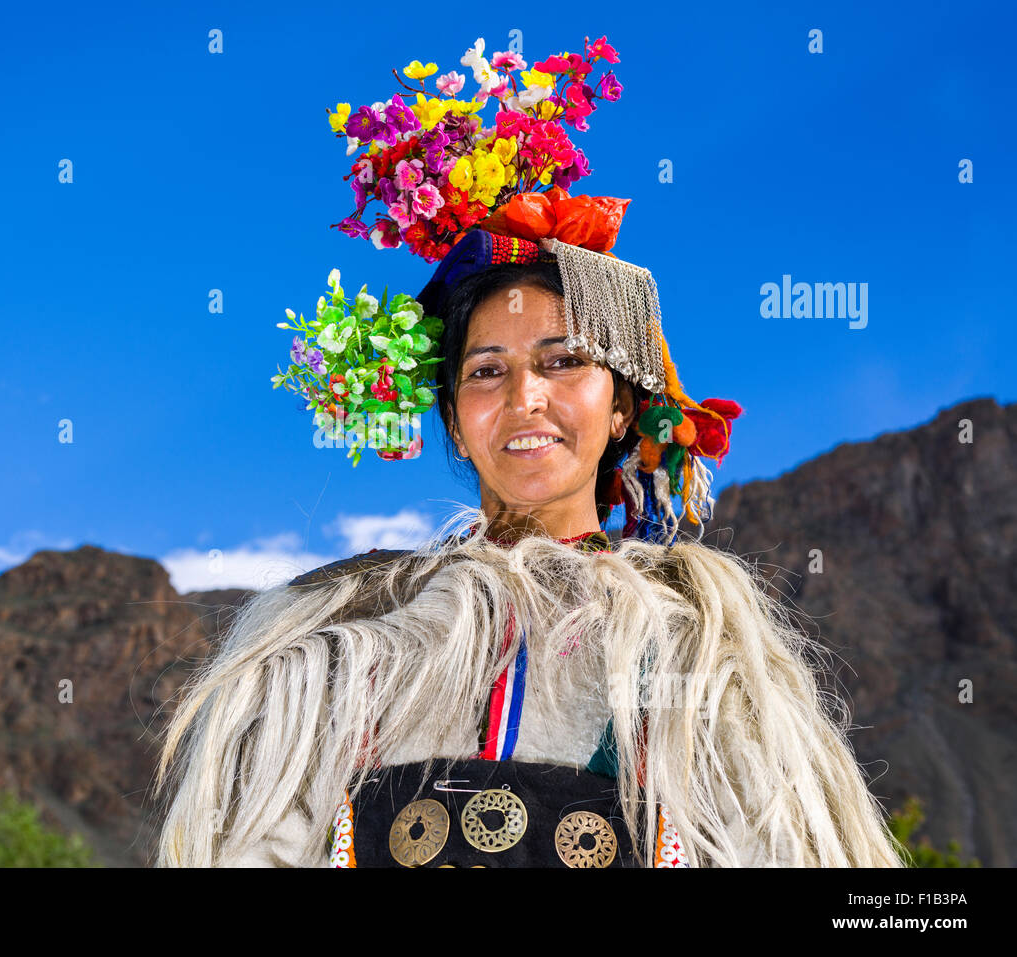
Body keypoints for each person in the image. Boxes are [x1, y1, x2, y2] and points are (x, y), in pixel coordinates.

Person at [151, 36, 904, 868]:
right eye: (486, 370)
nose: (524, 398)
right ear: (452, 414)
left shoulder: (703, 652)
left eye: (563, 361)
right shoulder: (342, 641)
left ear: (621, 406)